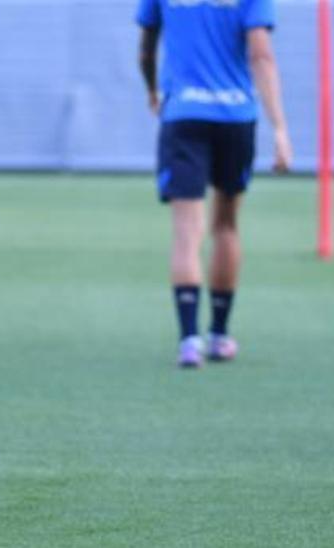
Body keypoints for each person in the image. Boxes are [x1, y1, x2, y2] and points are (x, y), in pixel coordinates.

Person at [136, 0, 292, 368]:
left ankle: (189, 340)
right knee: (225, 226)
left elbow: (146, 47)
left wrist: (152, 90)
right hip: (235, 116)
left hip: (185, 114)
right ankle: (219, 335)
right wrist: (280, 130)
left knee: (187, 232)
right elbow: (261, 56)